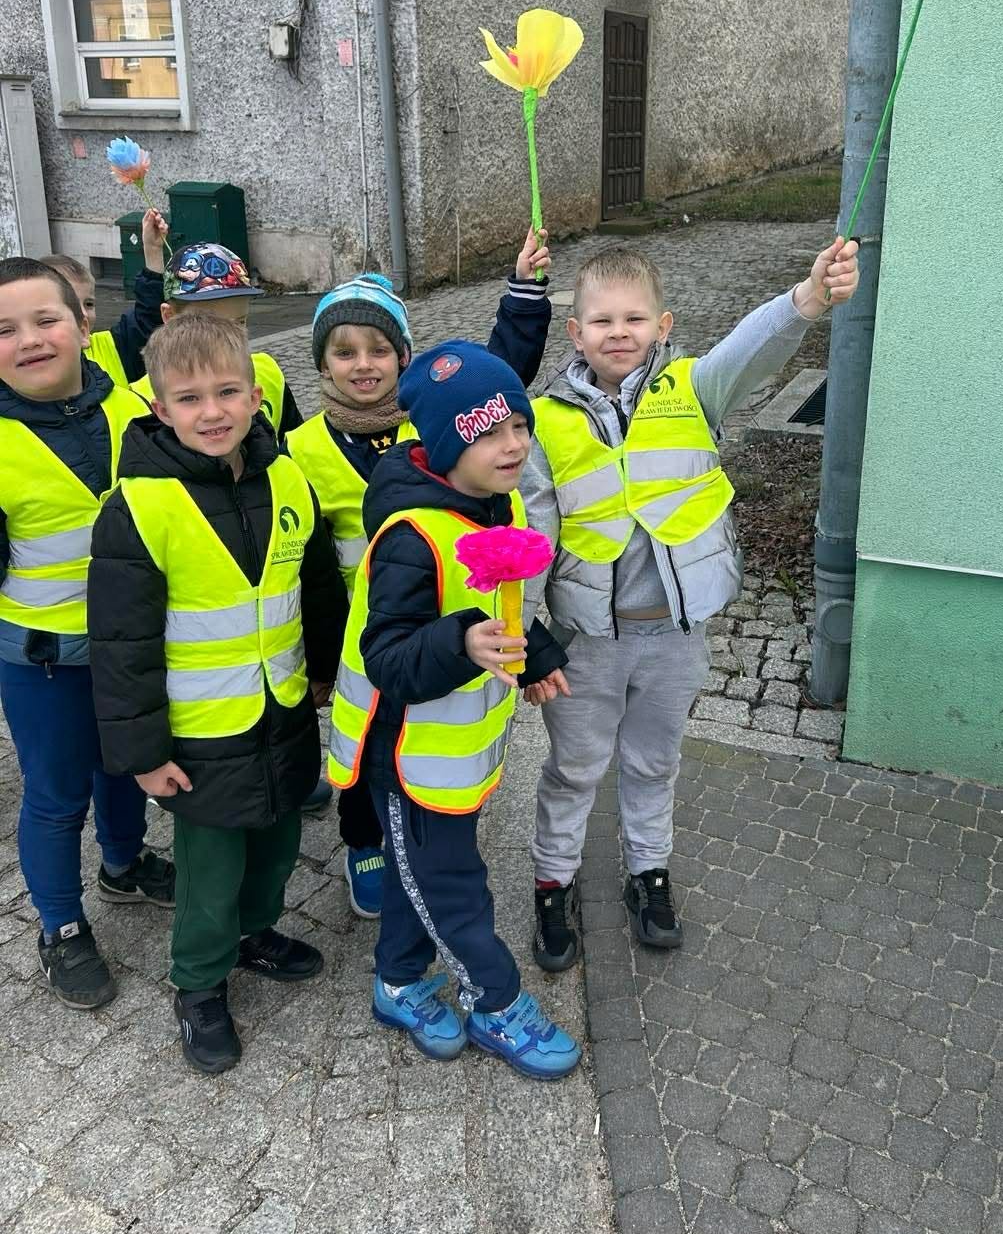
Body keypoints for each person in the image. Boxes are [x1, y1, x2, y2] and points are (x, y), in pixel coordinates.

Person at [522, 237, 860, 969]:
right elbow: (532, 539)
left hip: (673, 638)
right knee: (574, 768)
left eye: (634, 319)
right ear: (575, 332)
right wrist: (525, 640)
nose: (619, 333)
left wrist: (807, 300)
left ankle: (649, 873)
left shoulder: (693, 389)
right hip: (587, 642)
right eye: (602, 320)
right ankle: (553, 882)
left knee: (653, 763)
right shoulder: (543, 421)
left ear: (663, 325)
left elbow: (750, 349)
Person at [88, 313, 348, 1074]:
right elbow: (122, 646)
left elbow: (315, 583)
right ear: (159, 408)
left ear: (257, 397)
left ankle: (254, 933)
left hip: (284, 708)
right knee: (211, 868)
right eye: (190, 397)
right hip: (201, 731)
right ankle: (199, 982)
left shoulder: (287, 478)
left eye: (228, 392)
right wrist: (143, 754)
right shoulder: (139, 507)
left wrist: (326, 668)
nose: (213, 411)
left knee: (278, 842)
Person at [326, 340, 579, 1078]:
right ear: (445, 445)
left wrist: (535, 656)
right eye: (489, 432)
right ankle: (496, 1002)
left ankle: (398, 981)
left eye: (520, 426)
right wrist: (462, 642)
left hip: (449, 758)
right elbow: (388, 657)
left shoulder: (492, 503)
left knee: (419, 876)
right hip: (403, 758)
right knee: (451, 885)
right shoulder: (412, 537)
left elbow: (493, 604)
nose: (514, 445)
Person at [286, 229, 554, 917]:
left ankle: (420, 836)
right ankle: (363, 843)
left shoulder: (426, 433)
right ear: (321, 364)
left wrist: (523, 296)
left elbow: (494, 381)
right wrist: (317, 654)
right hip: (357, 631)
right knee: (362, 747)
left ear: (403, 359)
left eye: (379, 350)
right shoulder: (301, 448)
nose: (363, 365)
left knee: (408, 743)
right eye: (344, 352)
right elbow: (306, 566)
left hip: (430, 622)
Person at [0, 258, 175, 1012]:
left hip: (133, 648)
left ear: (81, 324)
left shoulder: (135, 408)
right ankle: (61, 925)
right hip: (45, 661)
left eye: (46, 319)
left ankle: (124, 864)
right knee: (56, 793)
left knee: (123, 765)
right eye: (5, 330)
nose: (30, 339)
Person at [128, 241, 302, 439]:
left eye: (239, 322)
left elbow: (291, 444)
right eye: (207, 324)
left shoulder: (267, 372)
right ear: (169, 316)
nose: (226, 338)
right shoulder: (136, 401)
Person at [41, 207, 170, 387]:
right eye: (70, 304)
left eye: (88, 304)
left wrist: (153, 250)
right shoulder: (27, 364)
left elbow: (148, 319)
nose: (82, 313)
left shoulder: (112, 346)